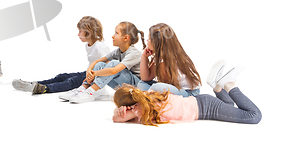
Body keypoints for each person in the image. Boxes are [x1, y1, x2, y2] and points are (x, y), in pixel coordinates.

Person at [112, 60, 261, 125]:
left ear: (131, 105)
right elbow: (119, 116)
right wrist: (125, 108)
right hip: (202, 101)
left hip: (207, 109)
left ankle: (229, 85)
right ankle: (217, 86)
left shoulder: (142, 109)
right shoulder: (149, 94)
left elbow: (116, 119)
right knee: (229, 104)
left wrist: (123, 110)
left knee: (254, 116)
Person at [12, 16, 110, 97]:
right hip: (88, 73)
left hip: (95, 77)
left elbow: (109, 66)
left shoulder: (100, 46)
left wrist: (94, 80)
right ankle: (32, 84)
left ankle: (44, 88)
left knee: (72, 81)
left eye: (80, 31)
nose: (78, 34)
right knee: (61, 76)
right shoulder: (88, 45)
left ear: (88, 33)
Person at [69, 21, 145, 104]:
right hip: (125, 85)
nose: (112, 36)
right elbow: (97, 61)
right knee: (100, 65)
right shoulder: (118, 51)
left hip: (137, 87)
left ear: (126, 38)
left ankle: (90, 92)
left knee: (114, 64)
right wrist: (89, 70)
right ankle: (84, 88)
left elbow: (114, 70)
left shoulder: (134, 53)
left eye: (116, 33)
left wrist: (94, 73)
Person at [138, 23, 201, 96]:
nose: (147, 40)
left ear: (156, 43)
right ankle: (150, 95)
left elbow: (165, 84)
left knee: (156, 87)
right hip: (175, 88)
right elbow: (145, 78)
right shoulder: (159, 57)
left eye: (149, 38)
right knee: (142, 84)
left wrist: (153, 89)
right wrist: (144, 57)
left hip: (188, 92)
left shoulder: (167, 59)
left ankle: (149, 96)